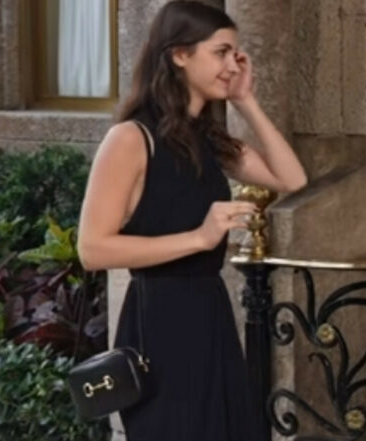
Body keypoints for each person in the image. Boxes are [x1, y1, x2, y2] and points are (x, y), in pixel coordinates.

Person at [76, 1, 307, 440]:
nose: (232, 65)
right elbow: (93, 249)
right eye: (220, 53)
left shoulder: (209, 139)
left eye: (235, 54)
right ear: (180, 54)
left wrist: (246, 100)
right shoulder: (130, 138)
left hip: (209, 312)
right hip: (159, 322)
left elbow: (291, 178)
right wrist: (200, 238)